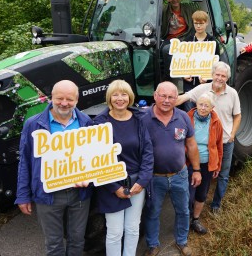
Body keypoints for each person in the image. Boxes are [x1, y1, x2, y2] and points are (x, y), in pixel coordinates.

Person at [15, 80, 94, 256]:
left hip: (79, 193)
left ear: (77, 100)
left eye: (69, 99)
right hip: (48, 194)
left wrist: (91, 178)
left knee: (77, 240)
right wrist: (22, 196)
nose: (64, 103)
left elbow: (93, 156)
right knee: (54, 244)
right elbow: (25, 162)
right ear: (51, 97)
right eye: (59, 98)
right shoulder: (33, 124)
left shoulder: (86, 122)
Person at [93, 80, 154, 256]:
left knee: (133, 228)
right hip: (111, 185)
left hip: (137, 184)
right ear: (109, 98)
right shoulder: (99, 123)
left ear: (130, 97)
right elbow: (96, 160)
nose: (120, 98)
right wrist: (114, 187)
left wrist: (142, 181)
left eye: (124, 94)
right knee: (114, 232)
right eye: (115, 94)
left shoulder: (139, 119)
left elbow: (148, 153)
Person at [142, 81, 201, 256]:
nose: (167, 100)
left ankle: (182, 241)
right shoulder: (143, 119)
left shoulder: (182, 117)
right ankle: (153, 245)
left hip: (180, 175)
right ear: (155, 96)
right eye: (163, 96)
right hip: (154, 177)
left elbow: (191, 144)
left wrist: (196, 170)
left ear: (177, 98)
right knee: (152, 212)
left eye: (171, 97)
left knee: (183, 210)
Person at [175, 61, 241, 212]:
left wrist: (232, 135)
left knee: (223, 174)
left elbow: (238, 116)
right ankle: (193, 205)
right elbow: (182, 98)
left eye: (223, 76)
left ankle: (216, 204)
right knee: (200, 172)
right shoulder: (202, 89)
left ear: (227, 78)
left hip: (225, 141)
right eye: (217, 74)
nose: (219, 78)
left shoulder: (232, 94)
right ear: (212, 75)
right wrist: (163, 106)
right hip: (205, 143)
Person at [186, 93, 223, 234]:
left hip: (207, 164)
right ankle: (185, 220)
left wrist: (217, 165)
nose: (202, 108)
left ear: (212, 107)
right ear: (196, 105)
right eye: (200, 104)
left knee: (202, 193)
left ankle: (195, 220)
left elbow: (219, 146)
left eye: (206, 105)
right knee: (188, 194)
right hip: (189, 163)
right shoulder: (187, 118)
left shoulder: (216, 122)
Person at [180, 10, 220, 111]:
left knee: (205, 111)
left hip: (206, 85)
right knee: (189, 113)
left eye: (201, 23)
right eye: (196, 23)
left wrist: (208, 77)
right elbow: (181, 62)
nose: (198, 26)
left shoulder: (213, 42)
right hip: (190, 85)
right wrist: (183, 75)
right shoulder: (187, 41)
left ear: (206, 23)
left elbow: (216, 65)